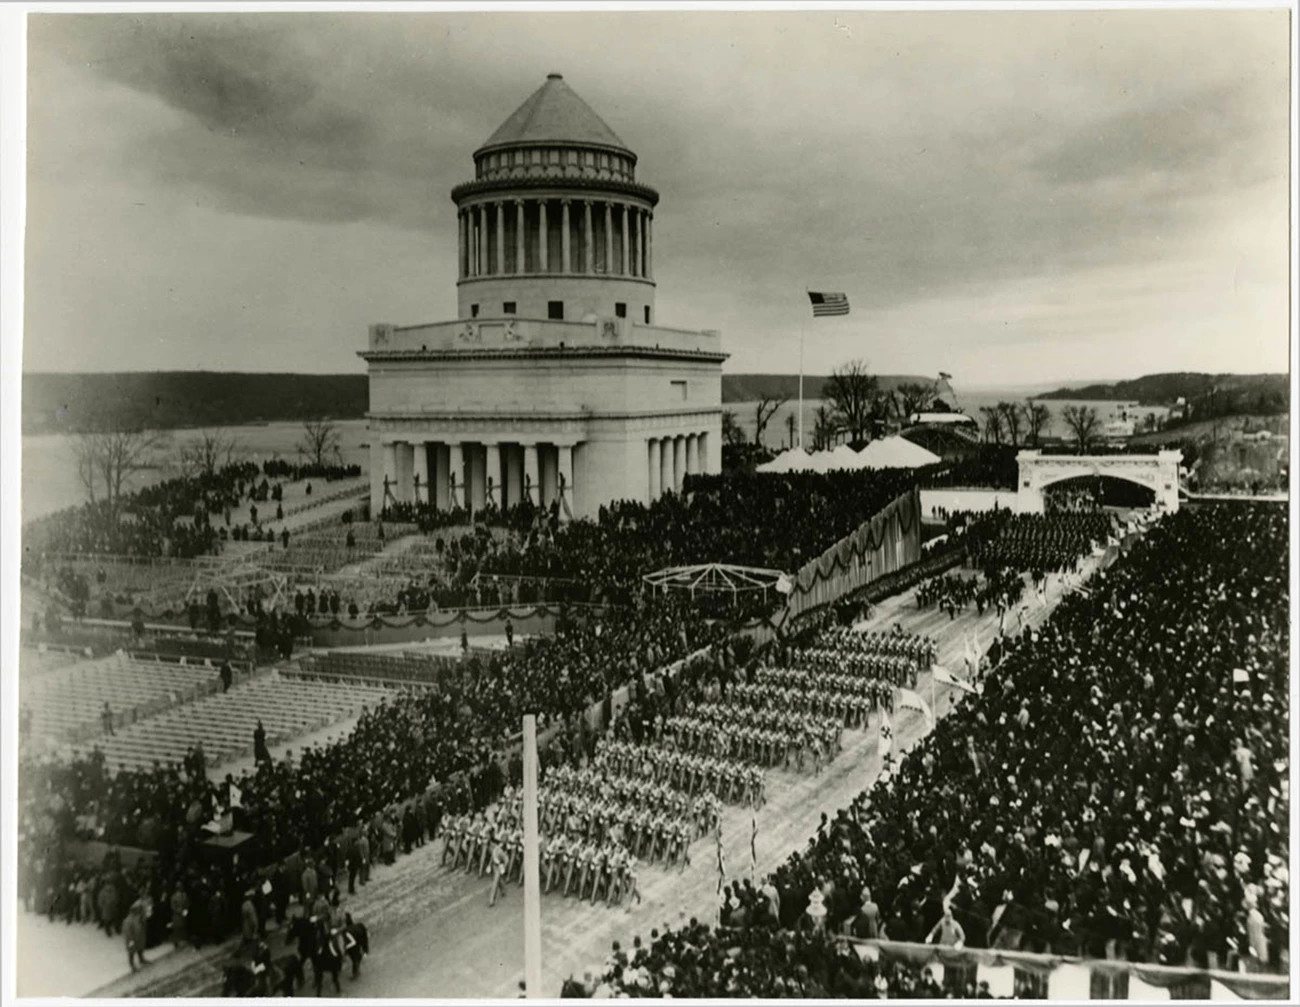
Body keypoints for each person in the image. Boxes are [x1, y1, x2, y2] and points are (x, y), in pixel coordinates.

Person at [124, 901, 149, 972]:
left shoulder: (137, 917)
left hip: (139, 936)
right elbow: (127, 932)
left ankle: (141, 959)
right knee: (131, 951)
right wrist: (131, 940)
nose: (137, 912)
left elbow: (141, 924)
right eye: (136, 910)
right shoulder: (128, 920)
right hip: (131, 938)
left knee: (140, 947)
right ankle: (132, 964)